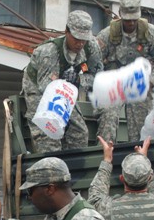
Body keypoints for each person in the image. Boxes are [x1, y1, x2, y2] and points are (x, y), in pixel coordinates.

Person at [21, 10, 103, 154]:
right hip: (39, 90)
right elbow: (45, 87)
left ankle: (73, 169)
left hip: (66, 90)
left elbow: (97, 76)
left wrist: (79, 80)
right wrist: (64, 82)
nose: (80, 44)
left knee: (80, 132)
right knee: (48, 131)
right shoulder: (49, 51)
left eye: (83, 39)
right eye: (76, 39)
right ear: (66, 31)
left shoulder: (91, 48)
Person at [95, 0, 154, 142]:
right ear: (120, 14)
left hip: (139, 83)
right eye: (127, 20)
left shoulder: (151, 33)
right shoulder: (107, 35)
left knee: (142, 123)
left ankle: (140, 155)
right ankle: (105, 154)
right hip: (115, 82)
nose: (131, 23)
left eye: (134, 19)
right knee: (108, 116)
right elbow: (95, 62)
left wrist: (151, 80)